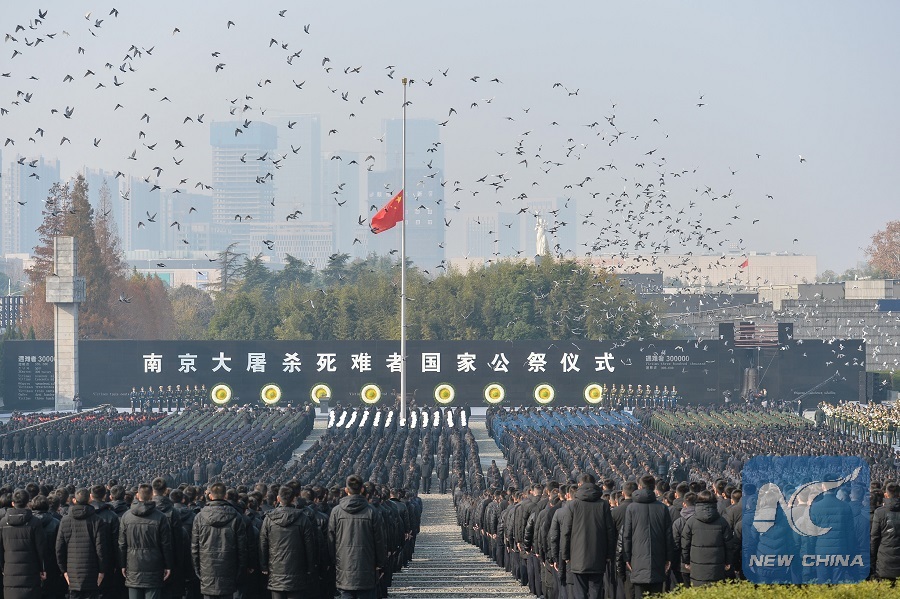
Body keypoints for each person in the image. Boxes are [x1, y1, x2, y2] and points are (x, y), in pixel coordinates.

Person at [327, 474, 386, 599]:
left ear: (346, 490)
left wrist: (334, 561)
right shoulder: (372, 511)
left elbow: (331, 539)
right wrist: (380, 564)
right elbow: (379, 540)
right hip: (367, 566)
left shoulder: (336, 511)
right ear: (362, 489)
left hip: (344, 566)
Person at [559, 475, 616, 599]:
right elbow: (610, 531)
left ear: (580, 485)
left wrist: (565, 555)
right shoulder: (603, 504)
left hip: (577, 556)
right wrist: (609, 554)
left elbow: (566, 532)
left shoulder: (573, 505)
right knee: (596, 590)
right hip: (598, 555)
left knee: (579, 592)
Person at [259, 486, 319, 599]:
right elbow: (310, 545)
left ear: (278, 498)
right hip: (297, 571)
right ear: (294, 499)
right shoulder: (303, 518)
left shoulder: (269, 519)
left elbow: (263, 543)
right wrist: (310, 567)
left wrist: (264, 566)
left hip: (276, 571)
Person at [620, 475, 675, 599]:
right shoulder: (663, 508)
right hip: (658, 557)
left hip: (637, 558)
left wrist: (627, 558)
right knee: (657, 594)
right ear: (654, 487)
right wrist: (668, 558)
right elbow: (668, 535)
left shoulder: (631, 508)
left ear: (639, 486)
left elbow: (627, 536)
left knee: (640, 594)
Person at [191, 481, 248, 599]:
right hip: (229, 567)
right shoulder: (236, 516)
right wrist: (240, 571)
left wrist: (197, 569)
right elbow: (242, 548)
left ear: (210, 496)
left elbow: (195, 547)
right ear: (225, 496)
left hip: (207, 567)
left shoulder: (200, 517)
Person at [119, 483, 174, 599]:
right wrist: (168, 565)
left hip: (133, 565)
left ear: (137, 495)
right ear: (151, 496)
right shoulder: (161, 517)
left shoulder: (126, 517)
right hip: (154, 565)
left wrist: (122, 564)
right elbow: (166, 544)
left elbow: (122, 544)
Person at [56, 488, 107, 599]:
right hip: (92, 571)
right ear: (90, 499)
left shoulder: (65, 521)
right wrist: (102, 570)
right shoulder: (97, 521)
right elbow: (100, 548)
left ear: (74, 500)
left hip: (72, 571)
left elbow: (59, 548)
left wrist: (64, 570)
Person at [681, 490, 734, 587]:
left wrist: (686, 561)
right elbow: (729, 545)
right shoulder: (722, 522)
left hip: (697, 568)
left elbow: (685, 544)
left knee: (699, 592)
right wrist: (728, 561)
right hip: (717, 567)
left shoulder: (691, 522)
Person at [0, 489, 47, 599]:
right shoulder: (34, 522)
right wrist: (42, 569)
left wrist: (3, 568)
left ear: (13, 503)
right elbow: (40, 548)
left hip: (10, 573)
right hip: (30, 572)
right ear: (28, 503)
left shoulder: (3, 523)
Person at [871, 481, 900, 581]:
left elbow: (874, 538)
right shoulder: (879, 512)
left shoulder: (879, 512)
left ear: (886, 495)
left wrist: (873, 561)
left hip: (884, 562)